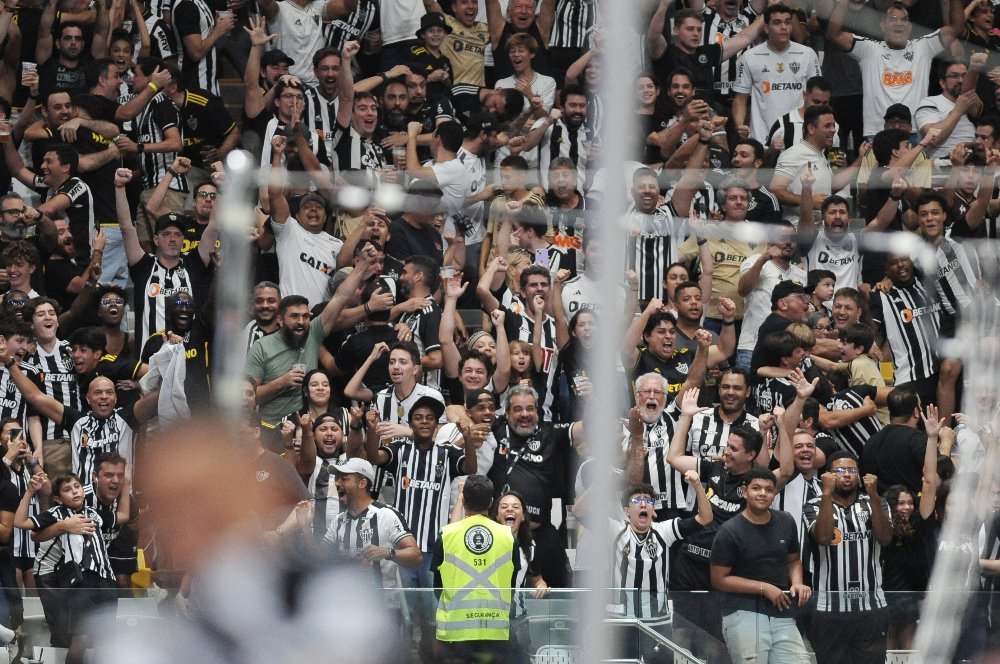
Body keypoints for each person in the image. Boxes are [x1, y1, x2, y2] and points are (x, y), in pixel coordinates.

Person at [362, 396, 481, 663]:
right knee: (405, 617)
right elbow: (374, 455)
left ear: (436, 425)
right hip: (403, 548)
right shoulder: (401, 449)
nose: (424, 422)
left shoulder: (447, 452)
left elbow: (470, 468)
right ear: (411, 423)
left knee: (430, 617)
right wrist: (371, 431)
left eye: (430, 418)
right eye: (419, 417)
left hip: (433, 550)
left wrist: (469, 439)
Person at [710, 467, 812, 664]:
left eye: (769, 489)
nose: (763, 493)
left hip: (782, 610)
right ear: (745, 491)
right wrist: (764, 588)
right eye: (756, 488)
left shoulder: (786, 520)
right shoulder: (729, 530)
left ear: (774, 493)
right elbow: (719, 580)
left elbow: (793, 561)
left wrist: (797, 583)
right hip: (742, 612)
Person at [825, 0, 964, 139]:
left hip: (914, 132)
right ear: (883, 25)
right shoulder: (869, 49)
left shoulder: (923, 47)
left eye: (903, 19)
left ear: (909, 26)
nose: (898, 23)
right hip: (877, 134)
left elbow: (956, 28)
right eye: (893, 19)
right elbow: (834, 35)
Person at [805, 451, 893, 664]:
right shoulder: (814, 504)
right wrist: (826, 493)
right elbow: (824, 537)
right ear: (828, 476)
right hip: (829, 608)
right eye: (840, 470)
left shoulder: (876, 502)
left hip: (871, 606)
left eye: (852, 470)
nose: (847, 475)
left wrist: (873, 494)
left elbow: (885, 538)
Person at [15, 472, 116, 651]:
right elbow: (24, 526)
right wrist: (30, 492)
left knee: (99, 636)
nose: (75, 492)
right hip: (52, 573)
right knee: (67, 634)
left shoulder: (93, 513)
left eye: (77, 486)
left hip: (91, 576)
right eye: (67, 490)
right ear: (58, 499)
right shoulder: (57, 513)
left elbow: (122, 516)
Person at [318, 457, 422, 627]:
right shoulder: (338, 521)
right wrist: (305, 528)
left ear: (362, 483)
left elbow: (416, 555)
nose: (338, 483)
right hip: (347, 610)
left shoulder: (385, 515)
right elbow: (319, 558)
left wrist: (387, 553)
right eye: (337, 478)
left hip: (384, 611)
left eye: (344, 478)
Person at [432, 474, 516, 664]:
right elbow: (511, 585)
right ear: (492, 502)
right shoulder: (508, 536)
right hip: (495, 631)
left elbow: (438, 586)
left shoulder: (446, 535)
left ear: (463, 499)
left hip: (454, 631)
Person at [732, 3, 821, 142]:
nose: (784, 27)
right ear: (766, 28)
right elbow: (740, 98)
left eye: (787, 22)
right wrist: (739, 125)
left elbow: (818, 96)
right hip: (762, 138)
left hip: (800, 136)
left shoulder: (807, 54)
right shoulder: (750, 56)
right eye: (777, 23)